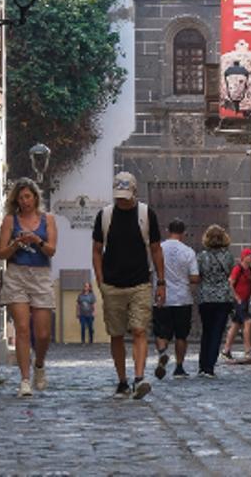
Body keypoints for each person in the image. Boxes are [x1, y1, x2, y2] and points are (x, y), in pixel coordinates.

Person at [92, 171, 165, 399]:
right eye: (118, 196)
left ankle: (139, 378)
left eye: (125, 195)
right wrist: (101, 280)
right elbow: (96, 250)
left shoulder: (146, 214)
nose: (121, 200)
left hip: (140, 283)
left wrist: (161, 281)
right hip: (112, 285)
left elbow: (155, 249)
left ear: (134, 193)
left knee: (139, 330)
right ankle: (122, 381)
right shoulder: (104, 216)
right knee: (116, 334)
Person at [0, 178, 57, 397]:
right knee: (22, 328)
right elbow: (1, 253)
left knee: (42, 333)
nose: (25, 201)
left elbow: (51, 250)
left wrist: (36, 240)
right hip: (17, 275)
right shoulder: (10, 221)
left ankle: (39, 365)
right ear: (16, 200)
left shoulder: (47, 220)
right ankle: (24, 380)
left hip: (40, 276)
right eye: (21, 198)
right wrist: (16, 244)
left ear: (35, 197)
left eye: (28, 196)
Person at [152, 219, 200, 380]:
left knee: (161, 333)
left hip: (161, 298)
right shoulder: (188, 252)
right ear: (184, 233)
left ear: (167, 231)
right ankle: (179, 367)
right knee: (181, 335)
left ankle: (162, 352)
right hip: (182, 298)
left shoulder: (159, 249)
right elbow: (194, 278)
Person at [195, 225, 237, 378]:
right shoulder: (228, 257)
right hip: (223, 299)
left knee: (206, 331)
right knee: (216, 333)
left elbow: (198, 275)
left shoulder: (201, 256)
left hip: (206, 298)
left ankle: (202, 366)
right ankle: (209, 368)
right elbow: (230, 273)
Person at [222, 248, 251, 360]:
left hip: (245, 301)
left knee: (236, 325)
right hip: (238, 302)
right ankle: (248, 350)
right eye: (250, 255)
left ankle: (226, 351)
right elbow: (230, 283)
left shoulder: (249, 269)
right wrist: (237, 298)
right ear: (244, 257)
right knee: (248, 321)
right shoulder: (238, 268)